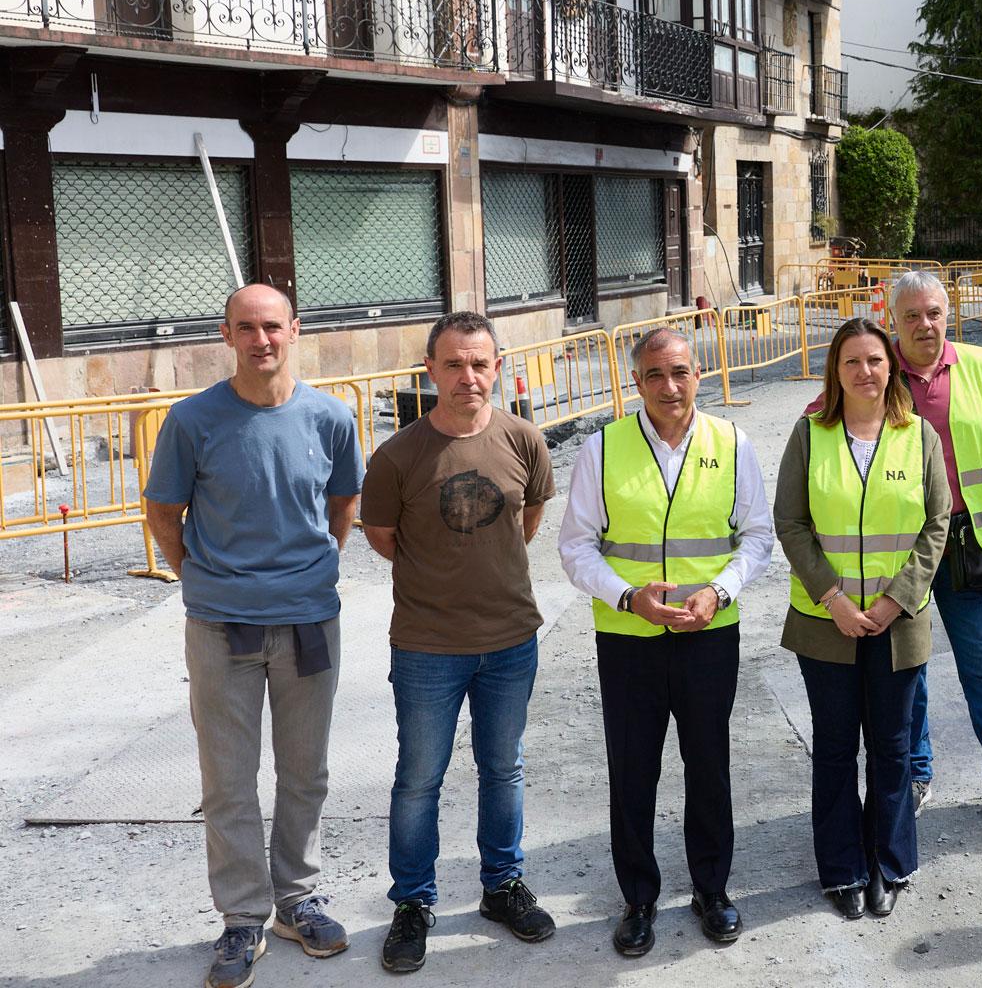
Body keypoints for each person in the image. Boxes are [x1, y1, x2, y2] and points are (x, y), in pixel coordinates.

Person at [142, 284, 362, 988]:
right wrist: (204, 581)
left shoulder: (332, 417)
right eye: (247, 328)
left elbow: (342, 502)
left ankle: (299, 899)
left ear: (294, 328)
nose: (261, 339)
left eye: (272, 325)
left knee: (306, 771)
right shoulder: (192, 420)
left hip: (307, 621)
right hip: (221, 626)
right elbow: (163, 511)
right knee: (229, 780)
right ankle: (242, 917)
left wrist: (310, 571)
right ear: (226, 334)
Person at [557, 327, 773, 956]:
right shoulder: (602, 449)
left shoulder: (732, 444)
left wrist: (721, 592)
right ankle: (639, 898)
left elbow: (756, 537)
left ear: (698, 375)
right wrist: (628, 597)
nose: (669, 387)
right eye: (655, 375)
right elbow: (575, 547)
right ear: (636, 382)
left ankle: (712, 889)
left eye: (680, 372)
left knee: (708, 764)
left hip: (710, 636)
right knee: (633, 771)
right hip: (629, 639)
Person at [359, 312, 557, 973]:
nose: (468, 376)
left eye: (479, 363)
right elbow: (383, 536)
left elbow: (527, 521)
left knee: (504, 769)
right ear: (430, 371)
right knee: (418, 779)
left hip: (509, 640)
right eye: (453, 364)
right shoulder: (397, 456)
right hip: (426, 647)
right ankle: (413, 902)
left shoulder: (524, 439)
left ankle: (502, 886)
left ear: (496, 367)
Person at [775, 317, 950, 920]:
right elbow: (791, 522)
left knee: (892, 747)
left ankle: (890, 862)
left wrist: (893, 600)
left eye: (874, 360)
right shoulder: (809, 434)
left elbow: (937, 524)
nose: (865, 372)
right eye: (852, 361)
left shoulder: (918, 435)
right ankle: (842, 868)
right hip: (827, 623)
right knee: (833, 749)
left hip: (898, 623)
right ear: (836, 370)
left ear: (889, 366)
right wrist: (835, 599)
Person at [883, 272, 982, 834]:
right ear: (894, 322)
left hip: (964, 540)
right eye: (911, 317)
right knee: (910, 668)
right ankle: (915, 774)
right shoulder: (876, 369)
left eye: (933, 313)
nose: (924, 325)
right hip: (902, 550)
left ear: (947, 313)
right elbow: (821, 418)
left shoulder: (977, 364)